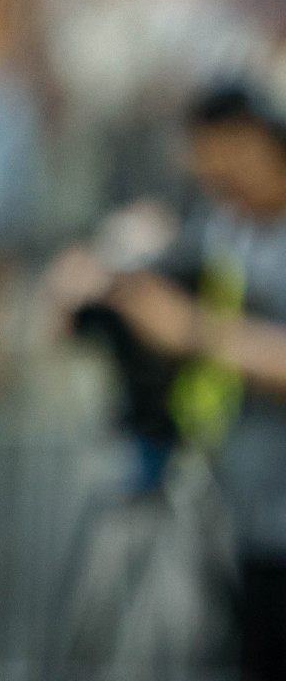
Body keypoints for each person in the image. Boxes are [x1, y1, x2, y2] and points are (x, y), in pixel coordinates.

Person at [64, 84, 286, 679]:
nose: (207, 171)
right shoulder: (216, 226)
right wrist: (103, 269)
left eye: (219, 152)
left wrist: (190, 330)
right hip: (225, 518)